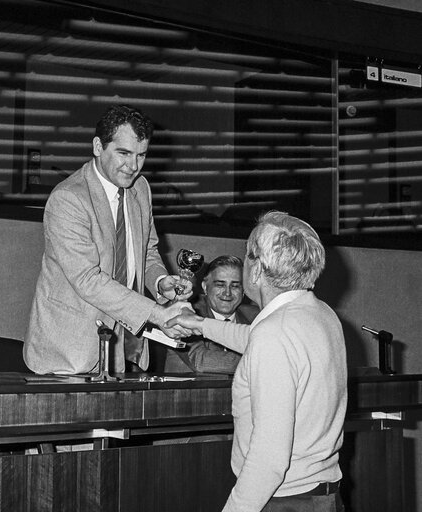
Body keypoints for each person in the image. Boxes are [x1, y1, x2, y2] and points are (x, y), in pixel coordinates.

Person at [166, 211, 347, 512]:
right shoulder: (320, 314)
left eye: (248, 255)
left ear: (257, 269)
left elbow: (269, 459)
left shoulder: (275, 334)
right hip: (323, 493)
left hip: (284, 500)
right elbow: (254, 338)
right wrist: (200, 324)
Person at [24, 104, 193, 375]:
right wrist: (158, 314)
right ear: (97, 146)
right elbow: (88, 280)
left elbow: (146, 251)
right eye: (123, 153)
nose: (133, 166)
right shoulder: (68, 198)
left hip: (122, 347)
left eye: (141, 155)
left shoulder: (141, 188)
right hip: (70, 352)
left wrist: (161, 282)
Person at [163, 255, 259, 374]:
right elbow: (201, 362)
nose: (227, 293)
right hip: (189, 392)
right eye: (220, 285)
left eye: (235, 286)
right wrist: (264, 360)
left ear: (244, 290)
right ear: (205, 287)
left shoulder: (257, 317)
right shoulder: (185, 312)